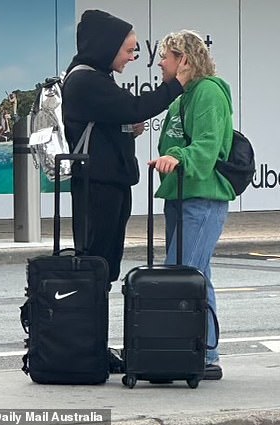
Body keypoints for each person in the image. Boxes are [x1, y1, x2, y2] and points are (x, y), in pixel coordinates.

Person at [62, 9, 190, 373]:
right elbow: (135, 106)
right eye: (128, 51)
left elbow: (113, 118)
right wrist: (175, 85)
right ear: (106, 47)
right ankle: (90, 350)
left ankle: (95, 346)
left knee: (105, 268)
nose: (132, 58)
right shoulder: (85, 80)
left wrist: (125, 131)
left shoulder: (96, 77)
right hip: (97, 186)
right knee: (96, 268)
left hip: (109, 182)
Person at [149, 30, 235, 380]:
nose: (160, 64)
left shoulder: (209, 93)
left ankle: (184, 352)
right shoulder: (181, 98)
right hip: (181, 195)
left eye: (165, 58)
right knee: (197, 276)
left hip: (202, 197)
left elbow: (207, 146)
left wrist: (177, 157)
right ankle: (206, 353)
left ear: (183, 59)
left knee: (182, 275)